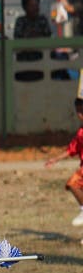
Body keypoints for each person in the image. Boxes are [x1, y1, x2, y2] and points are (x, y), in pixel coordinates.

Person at [45, 98, 83, 230]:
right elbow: (72, 149)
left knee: (73, 183)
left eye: (82, 110)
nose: (80, 114)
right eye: (78, 111)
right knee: (73, 184)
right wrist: (56, 159)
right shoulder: (80, 132)